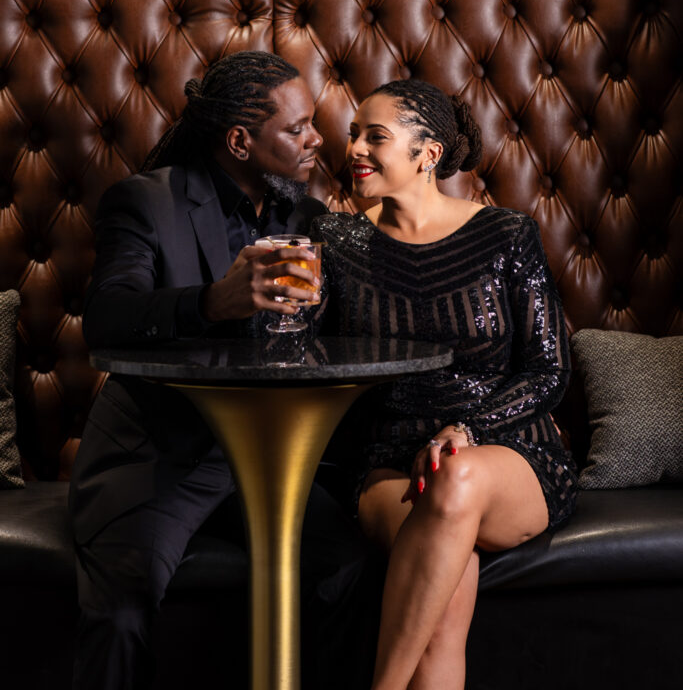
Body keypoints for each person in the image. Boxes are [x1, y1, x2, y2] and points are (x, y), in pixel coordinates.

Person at [69, 51, 379, 690]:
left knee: (351, 572)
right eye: (298, 129)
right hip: (158, 455)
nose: (318, 139)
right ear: (240, 141)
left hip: (265, 462)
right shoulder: (143, 203)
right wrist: (212, 302)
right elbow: (106, 319)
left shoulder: (306, 218)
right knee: (123, 612)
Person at [312, 78, 578, 690]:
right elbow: (309, 359)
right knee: (443, 585)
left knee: (454, 475)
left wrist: (470, 428)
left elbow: (549, 369)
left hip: (507, 450)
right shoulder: (337, 241)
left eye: (375, 136)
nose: (354, 148)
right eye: (352, 134)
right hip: (386, 462)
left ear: (427, 154)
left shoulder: (507, 234)